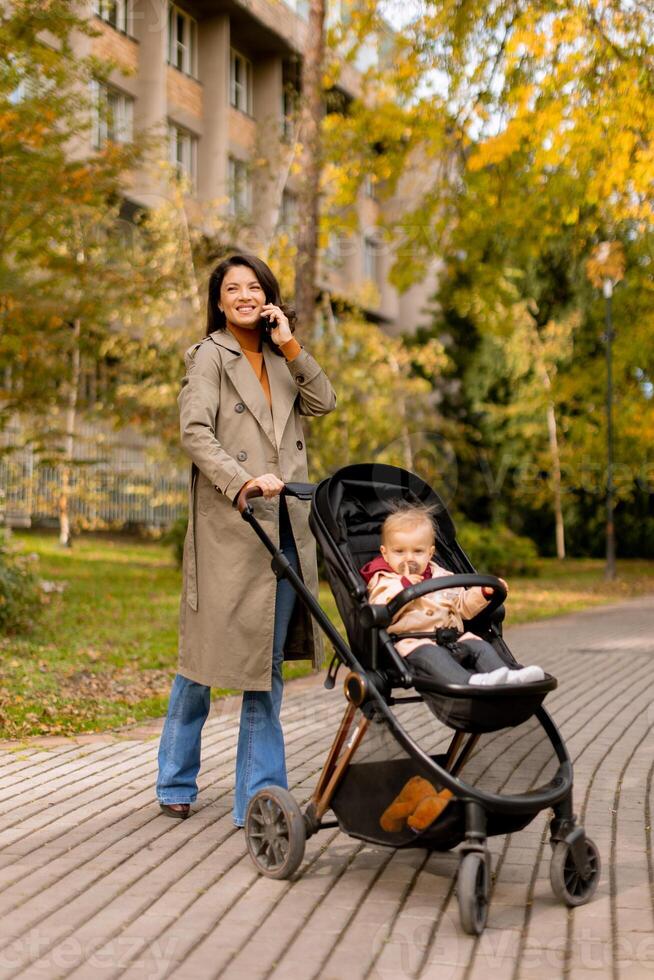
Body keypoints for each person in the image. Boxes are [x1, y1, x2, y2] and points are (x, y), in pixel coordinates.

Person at [156, 253, 336, 825]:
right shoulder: (209, 357)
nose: (243, 296)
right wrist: (240, 481)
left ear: (268, 297)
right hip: (232, 529)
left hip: (285, 530)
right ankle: (175, 777)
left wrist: (289, 344)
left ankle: (259, 798)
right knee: (203, 663)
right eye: (232, 288)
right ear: (218, 300)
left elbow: (325, 403)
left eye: (253, 287)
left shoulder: (285, 358)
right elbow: (194, 431)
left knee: (266, 666)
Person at [360, 502, 544, 687]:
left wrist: (482, 593)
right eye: (399, 551)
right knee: (433, 655)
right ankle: (471, 682)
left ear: (430, 553)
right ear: (385, 554)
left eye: (418, 551)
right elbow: (382, 608)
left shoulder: (442, 577)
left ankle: (510, 676)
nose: (409, 558)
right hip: (413, 643)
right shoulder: (385, 580)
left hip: (453, 639)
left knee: (479, 646)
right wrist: (404, 587)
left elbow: (461, 607)